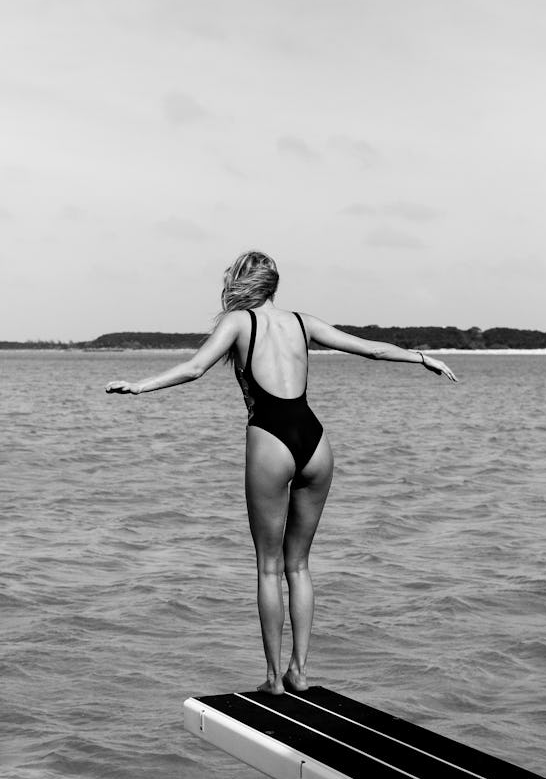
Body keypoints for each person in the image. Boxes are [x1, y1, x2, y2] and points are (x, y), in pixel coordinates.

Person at [106, 250, 456, 695]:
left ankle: (273, 679)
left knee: (269, 568)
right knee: (300, 566)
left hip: (270, 438)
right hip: (314, 440)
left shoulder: (236, 322)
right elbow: (369, 348)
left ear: (240, 283)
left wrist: (139, 386)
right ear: (274, 284)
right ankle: (301, 673)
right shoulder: (302, 322)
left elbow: (195, 368)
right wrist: (422, 357)